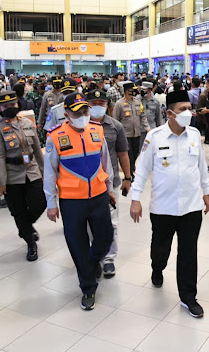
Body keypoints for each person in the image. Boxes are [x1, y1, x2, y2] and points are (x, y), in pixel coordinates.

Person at [130, 90, 209, 318]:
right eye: (182, 109)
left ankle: (188, 297)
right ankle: (157, 268)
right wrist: (135, 199)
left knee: (188, 253)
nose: (189, 113)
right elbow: (142, 170)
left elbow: (201, 167)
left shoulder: (194, 135)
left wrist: (207, 192)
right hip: (163, 208)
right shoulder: (154, 137)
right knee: (160, 249)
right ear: (169, 113)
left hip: (191, 207)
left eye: (190, 108)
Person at [44, 92, 115, 311]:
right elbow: (49, 171)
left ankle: (91, 263)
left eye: (85, 111)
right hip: (71, 200)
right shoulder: (55, 136)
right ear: (66, 114)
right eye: (78, 113)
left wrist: (110, 189)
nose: (83, 116)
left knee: (105, 238)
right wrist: (51, 202)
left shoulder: (96, 130)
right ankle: (88, 288)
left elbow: (106, 162)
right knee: (78, 245)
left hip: (98, 194)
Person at [0, 91, 46, 261]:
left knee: (40, 203)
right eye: (5, 106)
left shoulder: (28, 123)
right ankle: (30, 243)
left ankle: (26, 227)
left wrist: (45, 172)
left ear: (18, 105)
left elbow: (37, 149)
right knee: (18, 211)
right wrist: (1, 182)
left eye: (12, 105)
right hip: (11, 175)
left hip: (32, 171)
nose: (9, 108)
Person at [88, 89, 132, 278]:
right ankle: (94, 255)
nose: (98, 106)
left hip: (110, 182)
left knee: (111, 223)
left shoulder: (115, 126)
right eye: (94, 103)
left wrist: (128, 178)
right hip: (87, 184)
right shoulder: (80, 126)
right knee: (90, 223)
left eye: (101, 103)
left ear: (107, 105)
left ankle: (109, 259)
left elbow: (123, 153)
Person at [114, 82, 150, 175]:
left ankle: (132, 168)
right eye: (132, 90)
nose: (135, 92)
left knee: (135, 153)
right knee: (128, 154)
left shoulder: (138, 102)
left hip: (136, 133)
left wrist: (147, 128)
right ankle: (129, 172)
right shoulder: (119, 104)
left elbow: (143, 116)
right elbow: (115, 120)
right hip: (125, 134)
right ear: (126, 91)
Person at [137, 81, 163, 151]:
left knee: (151, 150)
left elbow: (158, 118)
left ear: (149, 90)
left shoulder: (155, 102)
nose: (142, 91)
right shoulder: (137, 100)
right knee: (140, 150)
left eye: (144, 89)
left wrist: (159, 131)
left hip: (152, 130)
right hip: (140, 130)